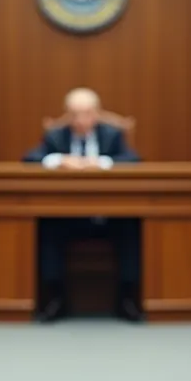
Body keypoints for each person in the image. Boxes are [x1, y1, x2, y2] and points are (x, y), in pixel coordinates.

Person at [23, 88, 143, 322]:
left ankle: (127, 299)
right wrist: (59, 160)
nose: (80, 120)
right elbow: (29, 158)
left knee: (132, 226)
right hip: (68, 219)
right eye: (74, 114)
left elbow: (133, 160)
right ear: (67, 115)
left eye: (86, 113)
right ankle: (55, 299)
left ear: (96, 114)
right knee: (47, 226)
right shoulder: (56, 136)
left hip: (108, 217)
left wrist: (101, 163)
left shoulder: (112, 134)